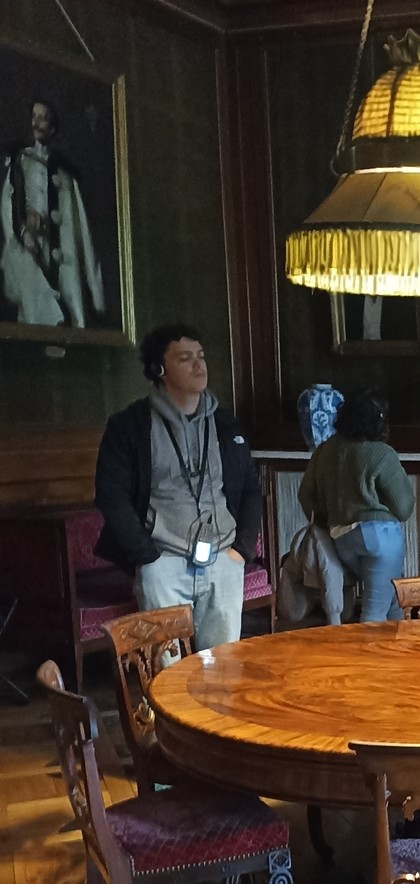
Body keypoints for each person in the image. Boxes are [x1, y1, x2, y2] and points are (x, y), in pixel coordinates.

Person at [94, 324, 260, 650]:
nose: (199, 365)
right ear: (159, 369)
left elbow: (251, 490)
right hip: (163, 562)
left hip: (223, 559)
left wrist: (241, 550)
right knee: (166, 668)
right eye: (185, 358)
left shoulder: (226, 424)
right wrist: (147, 557)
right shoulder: (130, 426)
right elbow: (111, 496)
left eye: (201, 356)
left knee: (223, 668)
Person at [298, 388, 414, 622]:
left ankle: (402, 644)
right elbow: (404, 508)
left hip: (341, 539)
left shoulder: (324, 450)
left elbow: (306, 496)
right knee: (374, 615)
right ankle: (369, 648)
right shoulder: (381, 453)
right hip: (379, 539)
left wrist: (327, 516)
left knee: (394, 600)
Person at [1, 100, 105, 328]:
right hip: (31, 258)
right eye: (34, 117)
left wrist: (95, 290)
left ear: (53, 128)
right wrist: (23, 232)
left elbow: (83, 233)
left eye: (44, 118)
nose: (37, 123)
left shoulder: (66, 175)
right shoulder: (20, 164)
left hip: (65, 265)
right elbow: (8, 209)